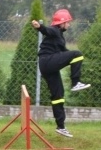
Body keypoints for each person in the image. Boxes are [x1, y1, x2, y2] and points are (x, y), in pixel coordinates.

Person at [32, 9, 91, 138]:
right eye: (68, 22)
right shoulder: (55, 30)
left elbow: (64, 52)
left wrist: (69, 59)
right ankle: (76, 82)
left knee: (58, 95)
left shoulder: (59, 37)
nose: (69, 25)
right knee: (78, 54)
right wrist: (39, 27)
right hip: (47, 61)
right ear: (62, 23)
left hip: (47, 66)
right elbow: (46, 30)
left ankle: (61, 126)